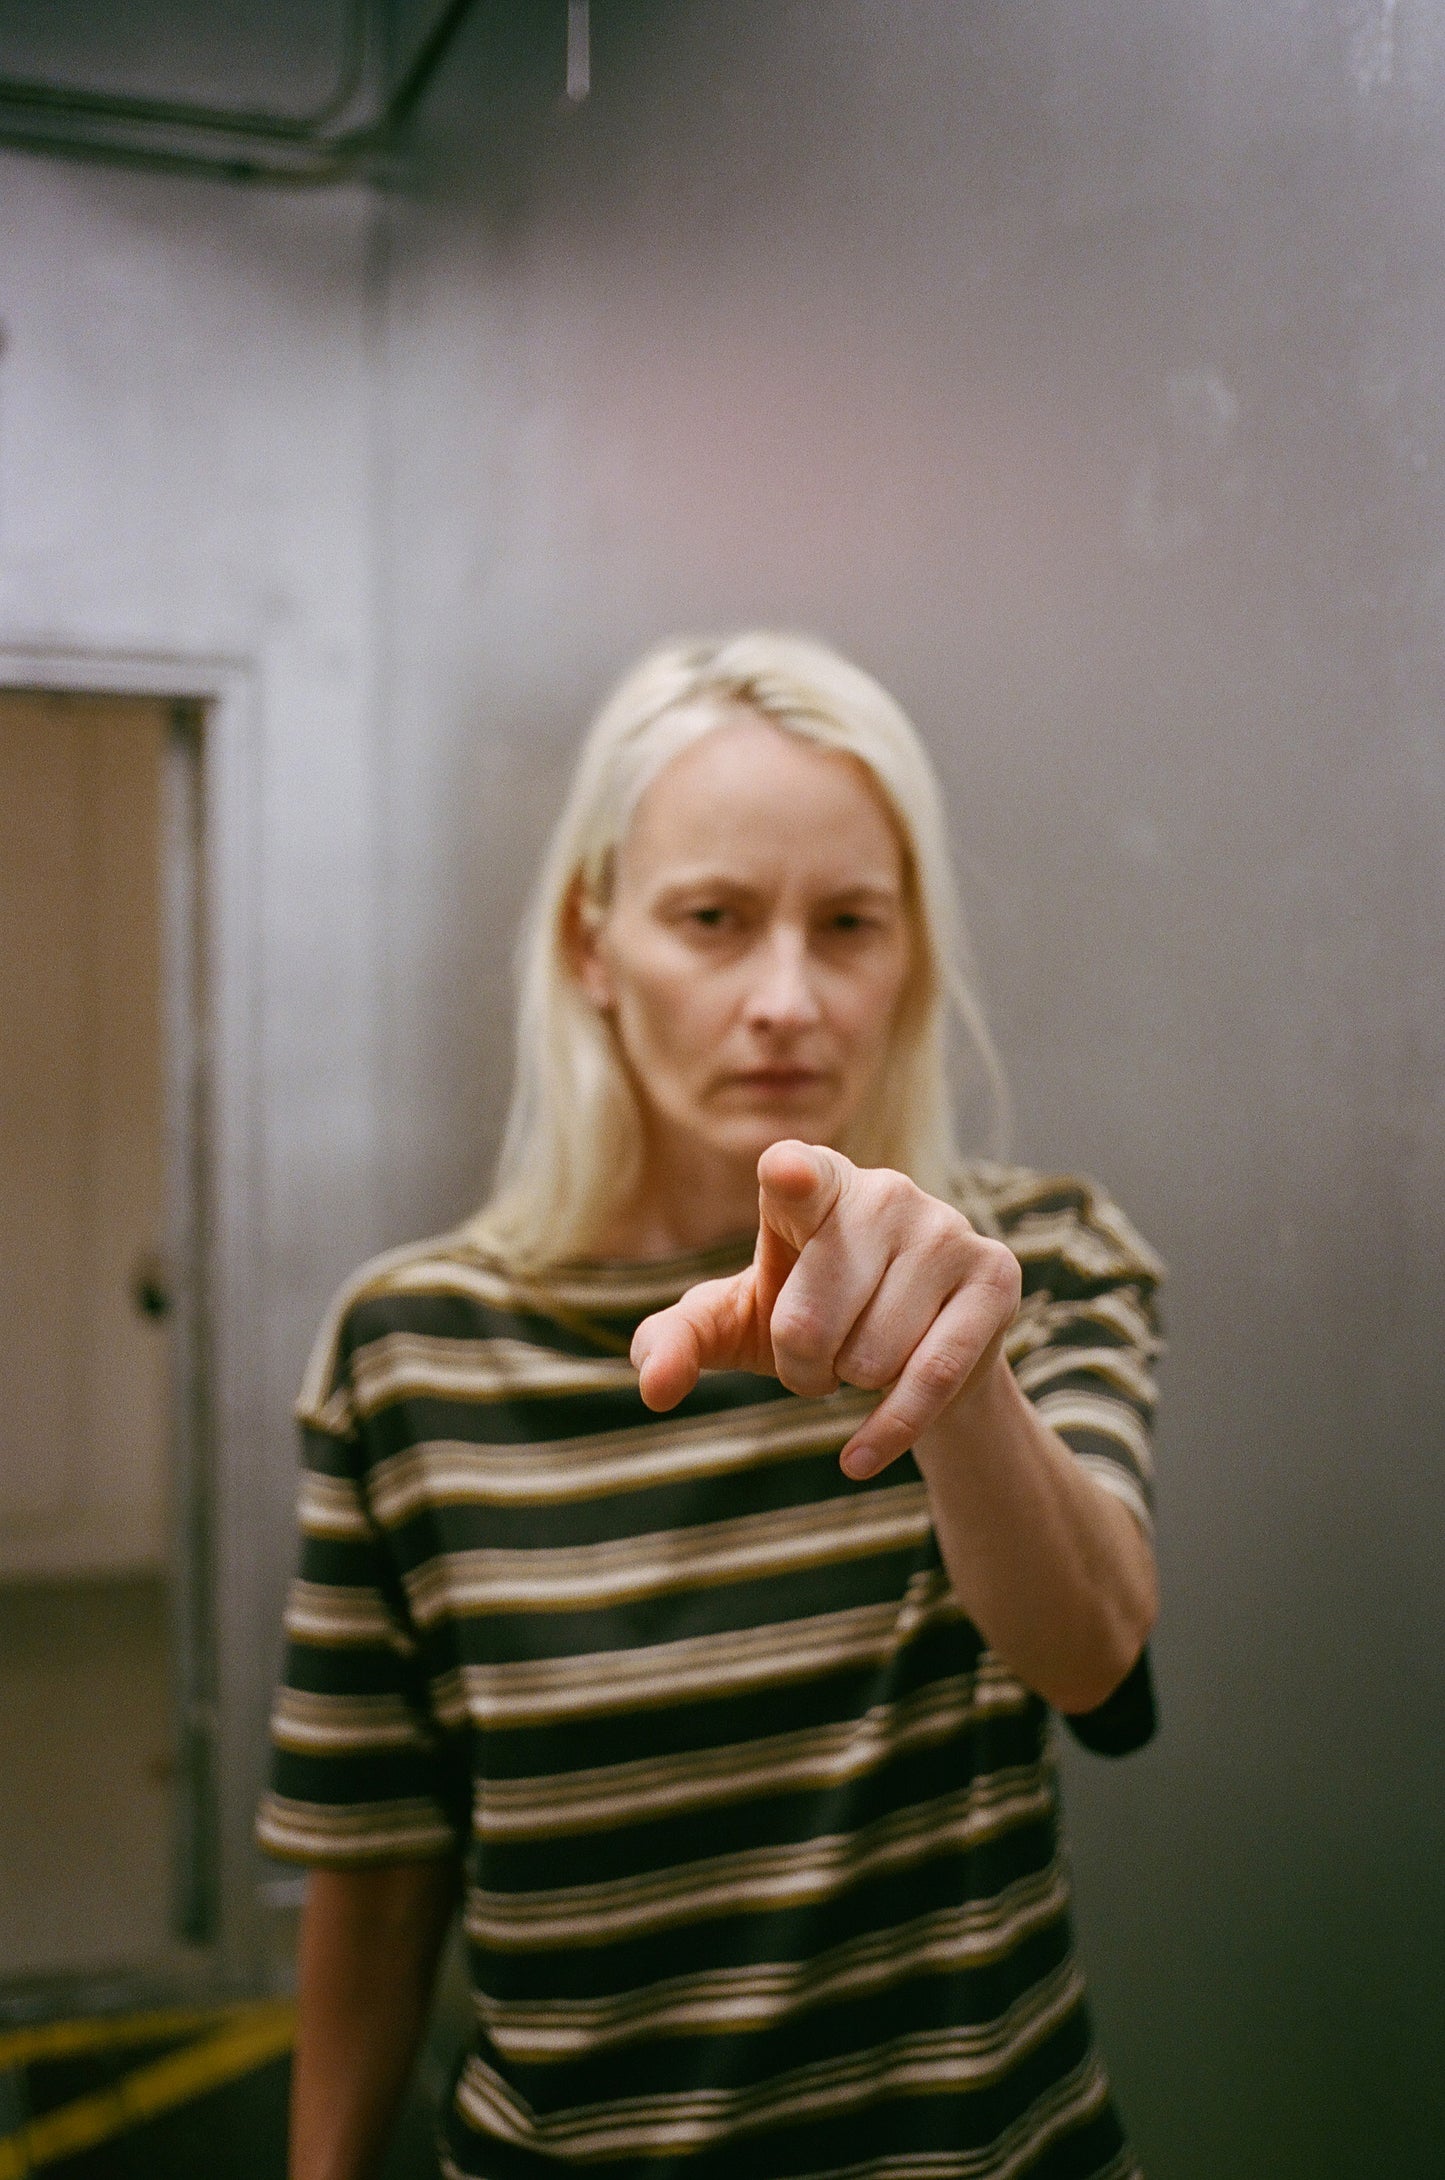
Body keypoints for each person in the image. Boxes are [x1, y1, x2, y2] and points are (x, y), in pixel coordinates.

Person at [258, 632, 1163, 2180]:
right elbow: (381, 1866)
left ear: (912, 957)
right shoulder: (408, 1350)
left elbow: (1092, 1651)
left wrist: (954, 1381)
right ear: (594, 944)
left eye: (850, 925)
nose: (786, 999)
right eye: (713, 920)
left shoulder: (1033, 1264)